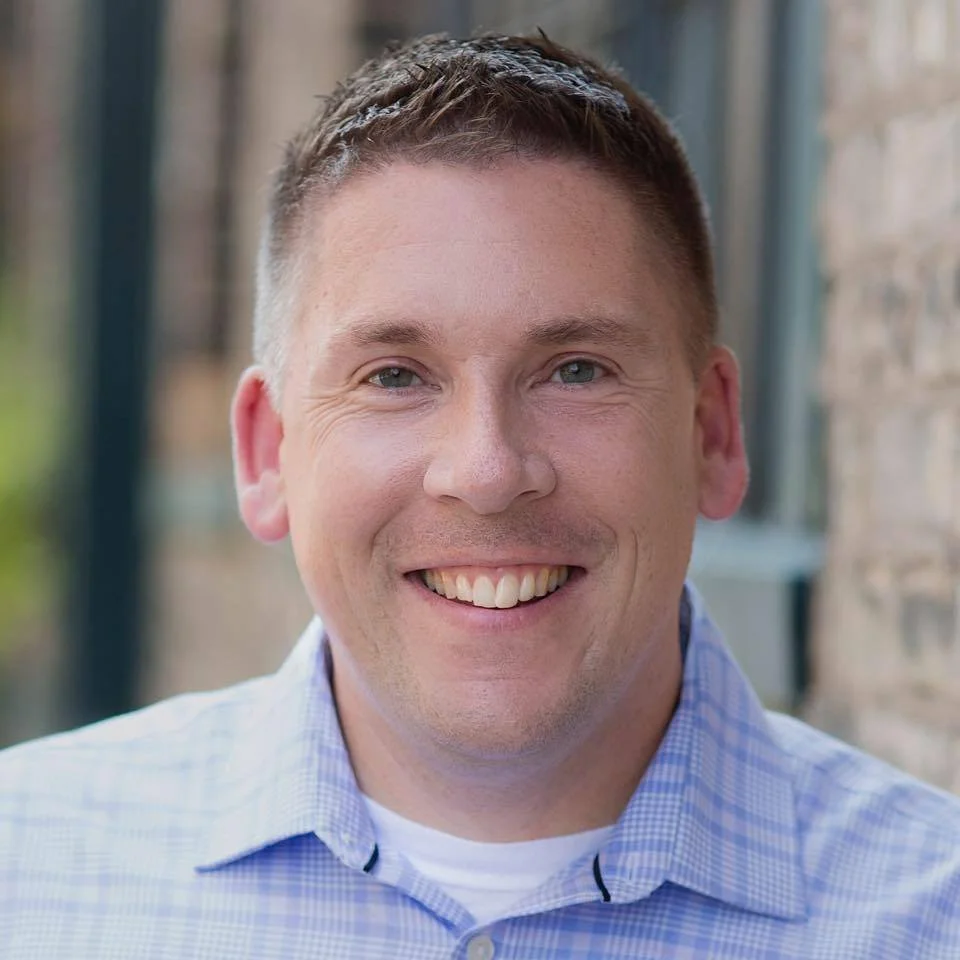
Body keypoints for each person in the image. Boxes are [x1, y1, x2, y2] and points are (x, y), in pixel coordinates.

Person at [2, 32, 960, 960]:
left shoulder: (933, 915)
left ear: (711, 433)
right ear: (266, 451)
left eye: (576, 370)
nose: (488, 471)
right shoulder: (27, 873)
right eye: (394, 376)